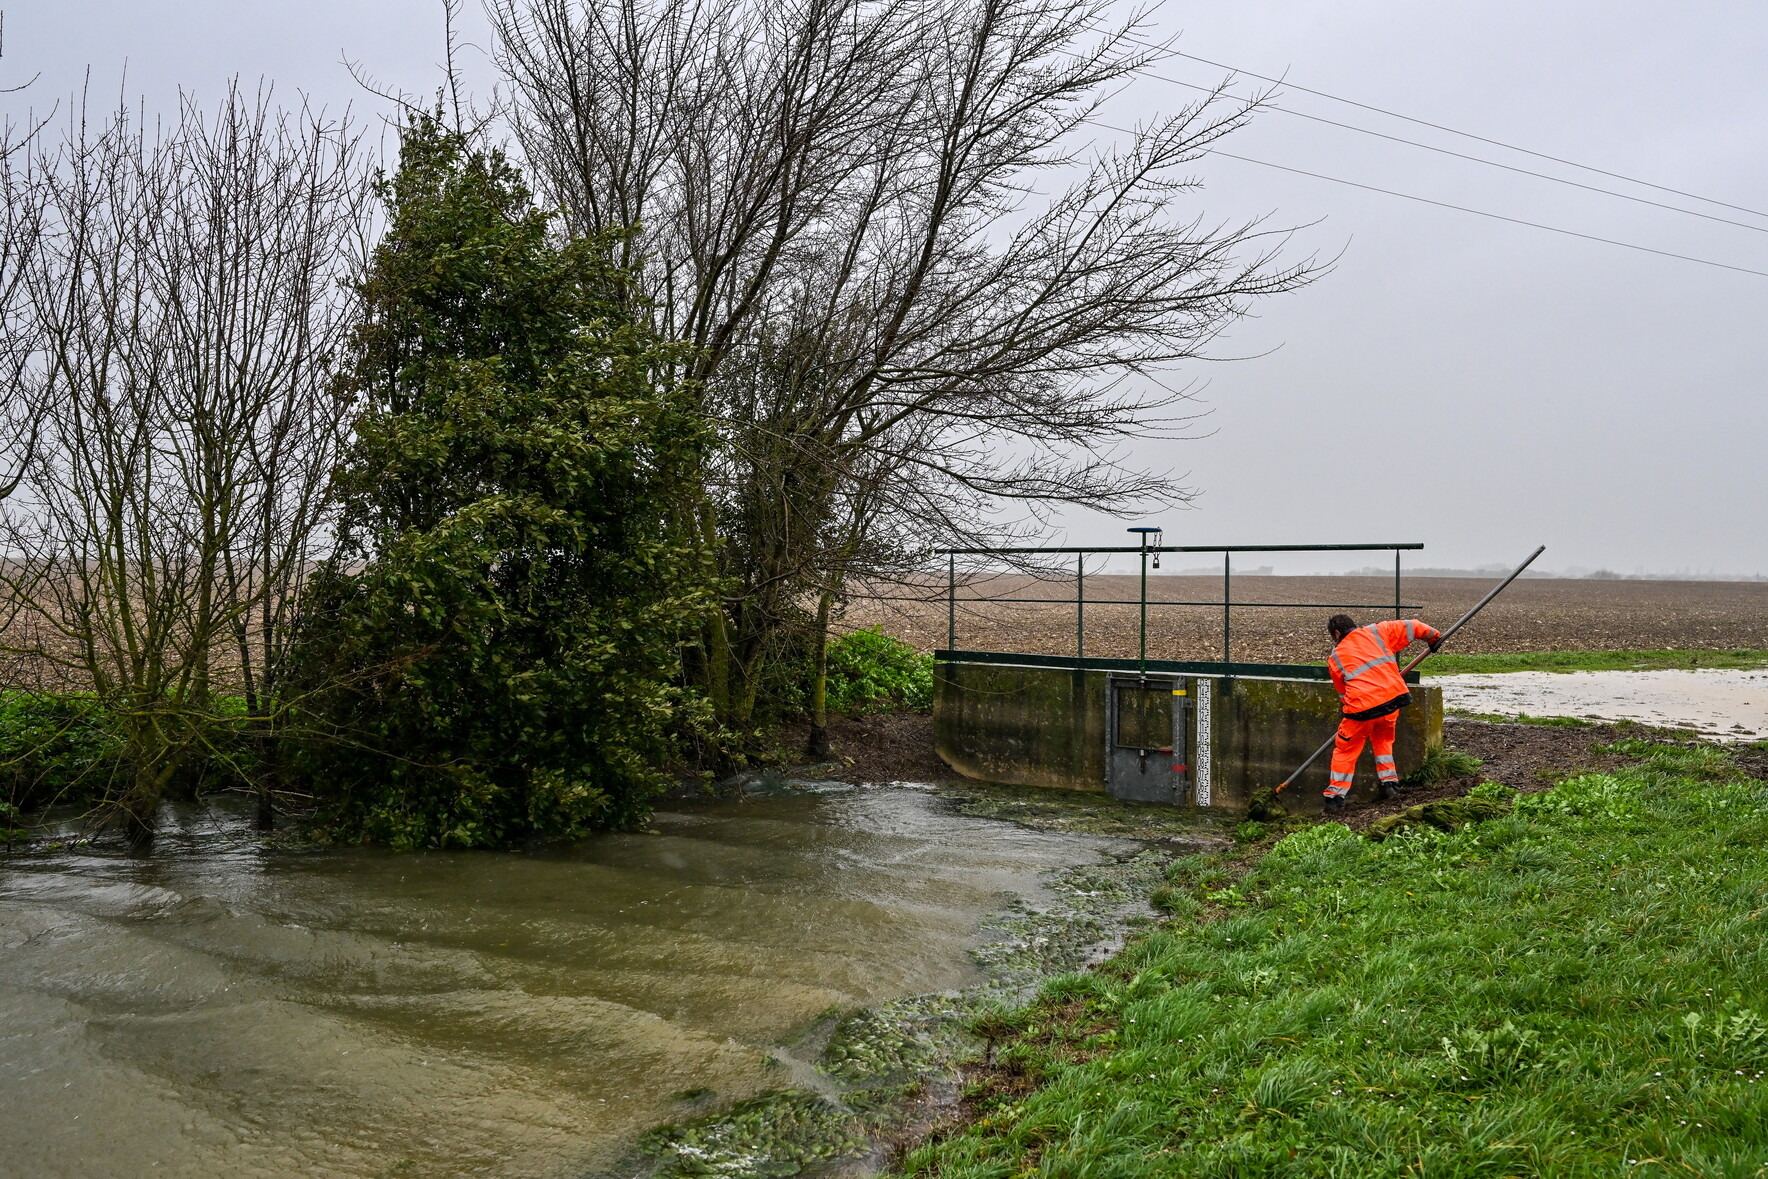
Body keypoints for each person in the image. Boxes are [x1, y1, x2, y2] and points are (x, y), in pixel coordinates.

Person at [1322, 613, 1442, 812]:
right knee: (1383, 741)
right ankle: (1389, 785)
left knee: (1346, 750)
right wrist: (1434, 638)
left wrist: (1354, 709)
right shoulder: (1377, 632)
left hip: (1361, 710)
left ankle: (1334, 799)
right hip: (1392, 701)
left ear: (1336, 634)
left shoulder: (1335, 657)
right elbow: (1413, 626)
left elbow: (1343, 693)